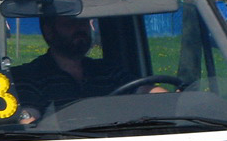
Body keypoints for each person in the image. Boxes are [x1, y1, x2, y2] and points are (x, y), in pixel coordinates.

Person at [10, 14, 150, 122]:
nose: (80, 28)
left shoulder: (109, 71)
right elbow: (28, 121)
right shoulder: (29, 77)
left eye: (84, 22)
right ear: (49, 31)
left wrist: (169, 99)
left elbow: (149, 91)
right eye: (70, 23)